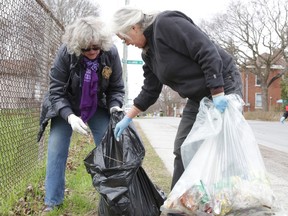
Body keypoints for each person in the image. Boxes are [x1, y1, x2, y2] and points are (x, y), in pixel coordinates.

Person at [111, 7, 243, 189]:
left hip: (222, 84)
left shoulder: (166, 23)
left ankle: (237, 196)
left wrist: (218, 93)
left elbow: (207, 51)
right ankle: (179, 203)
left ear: (133, 27)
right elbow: (150, 90)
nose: (126, 43)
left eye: (123, 38)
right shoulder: (148, 54)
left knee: (224, 147)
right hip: (198, 97)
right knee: (183, 148)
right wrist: (128, 117)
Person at [37, 16, 125, 212]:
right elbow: (56, 91)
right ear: (78, 46)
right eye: (86, 48)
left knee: (108, 146)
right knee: (56, 149)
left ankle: (113, 198)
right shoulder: (66, 54)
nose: (92, 51)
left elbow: (117, 87)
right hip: (65, 105)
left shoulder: (110, 53)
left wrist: (115, 106)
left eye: (96, 47)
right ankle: (53, 201)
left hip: (96, 104)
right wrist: (69, 116)